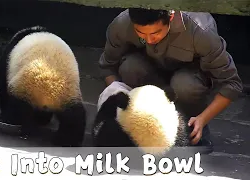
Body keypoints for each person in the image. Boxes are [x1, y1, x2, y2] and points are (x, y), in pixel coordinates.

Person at [98, 8, 243, 153]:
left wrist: (203, 118)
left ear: (171, 17)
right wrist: (120, 99)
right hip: (149, 72)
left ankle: (192, 126)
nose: (149, 40)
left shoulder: (200, 31)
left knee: (184, 85)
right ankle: (138, 124)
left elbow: (231, 84)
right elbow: (108, 66)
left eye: (155, 33)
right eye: (141, 33)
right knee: (130, 67)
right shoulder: (122, 23)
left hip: (188, 78)